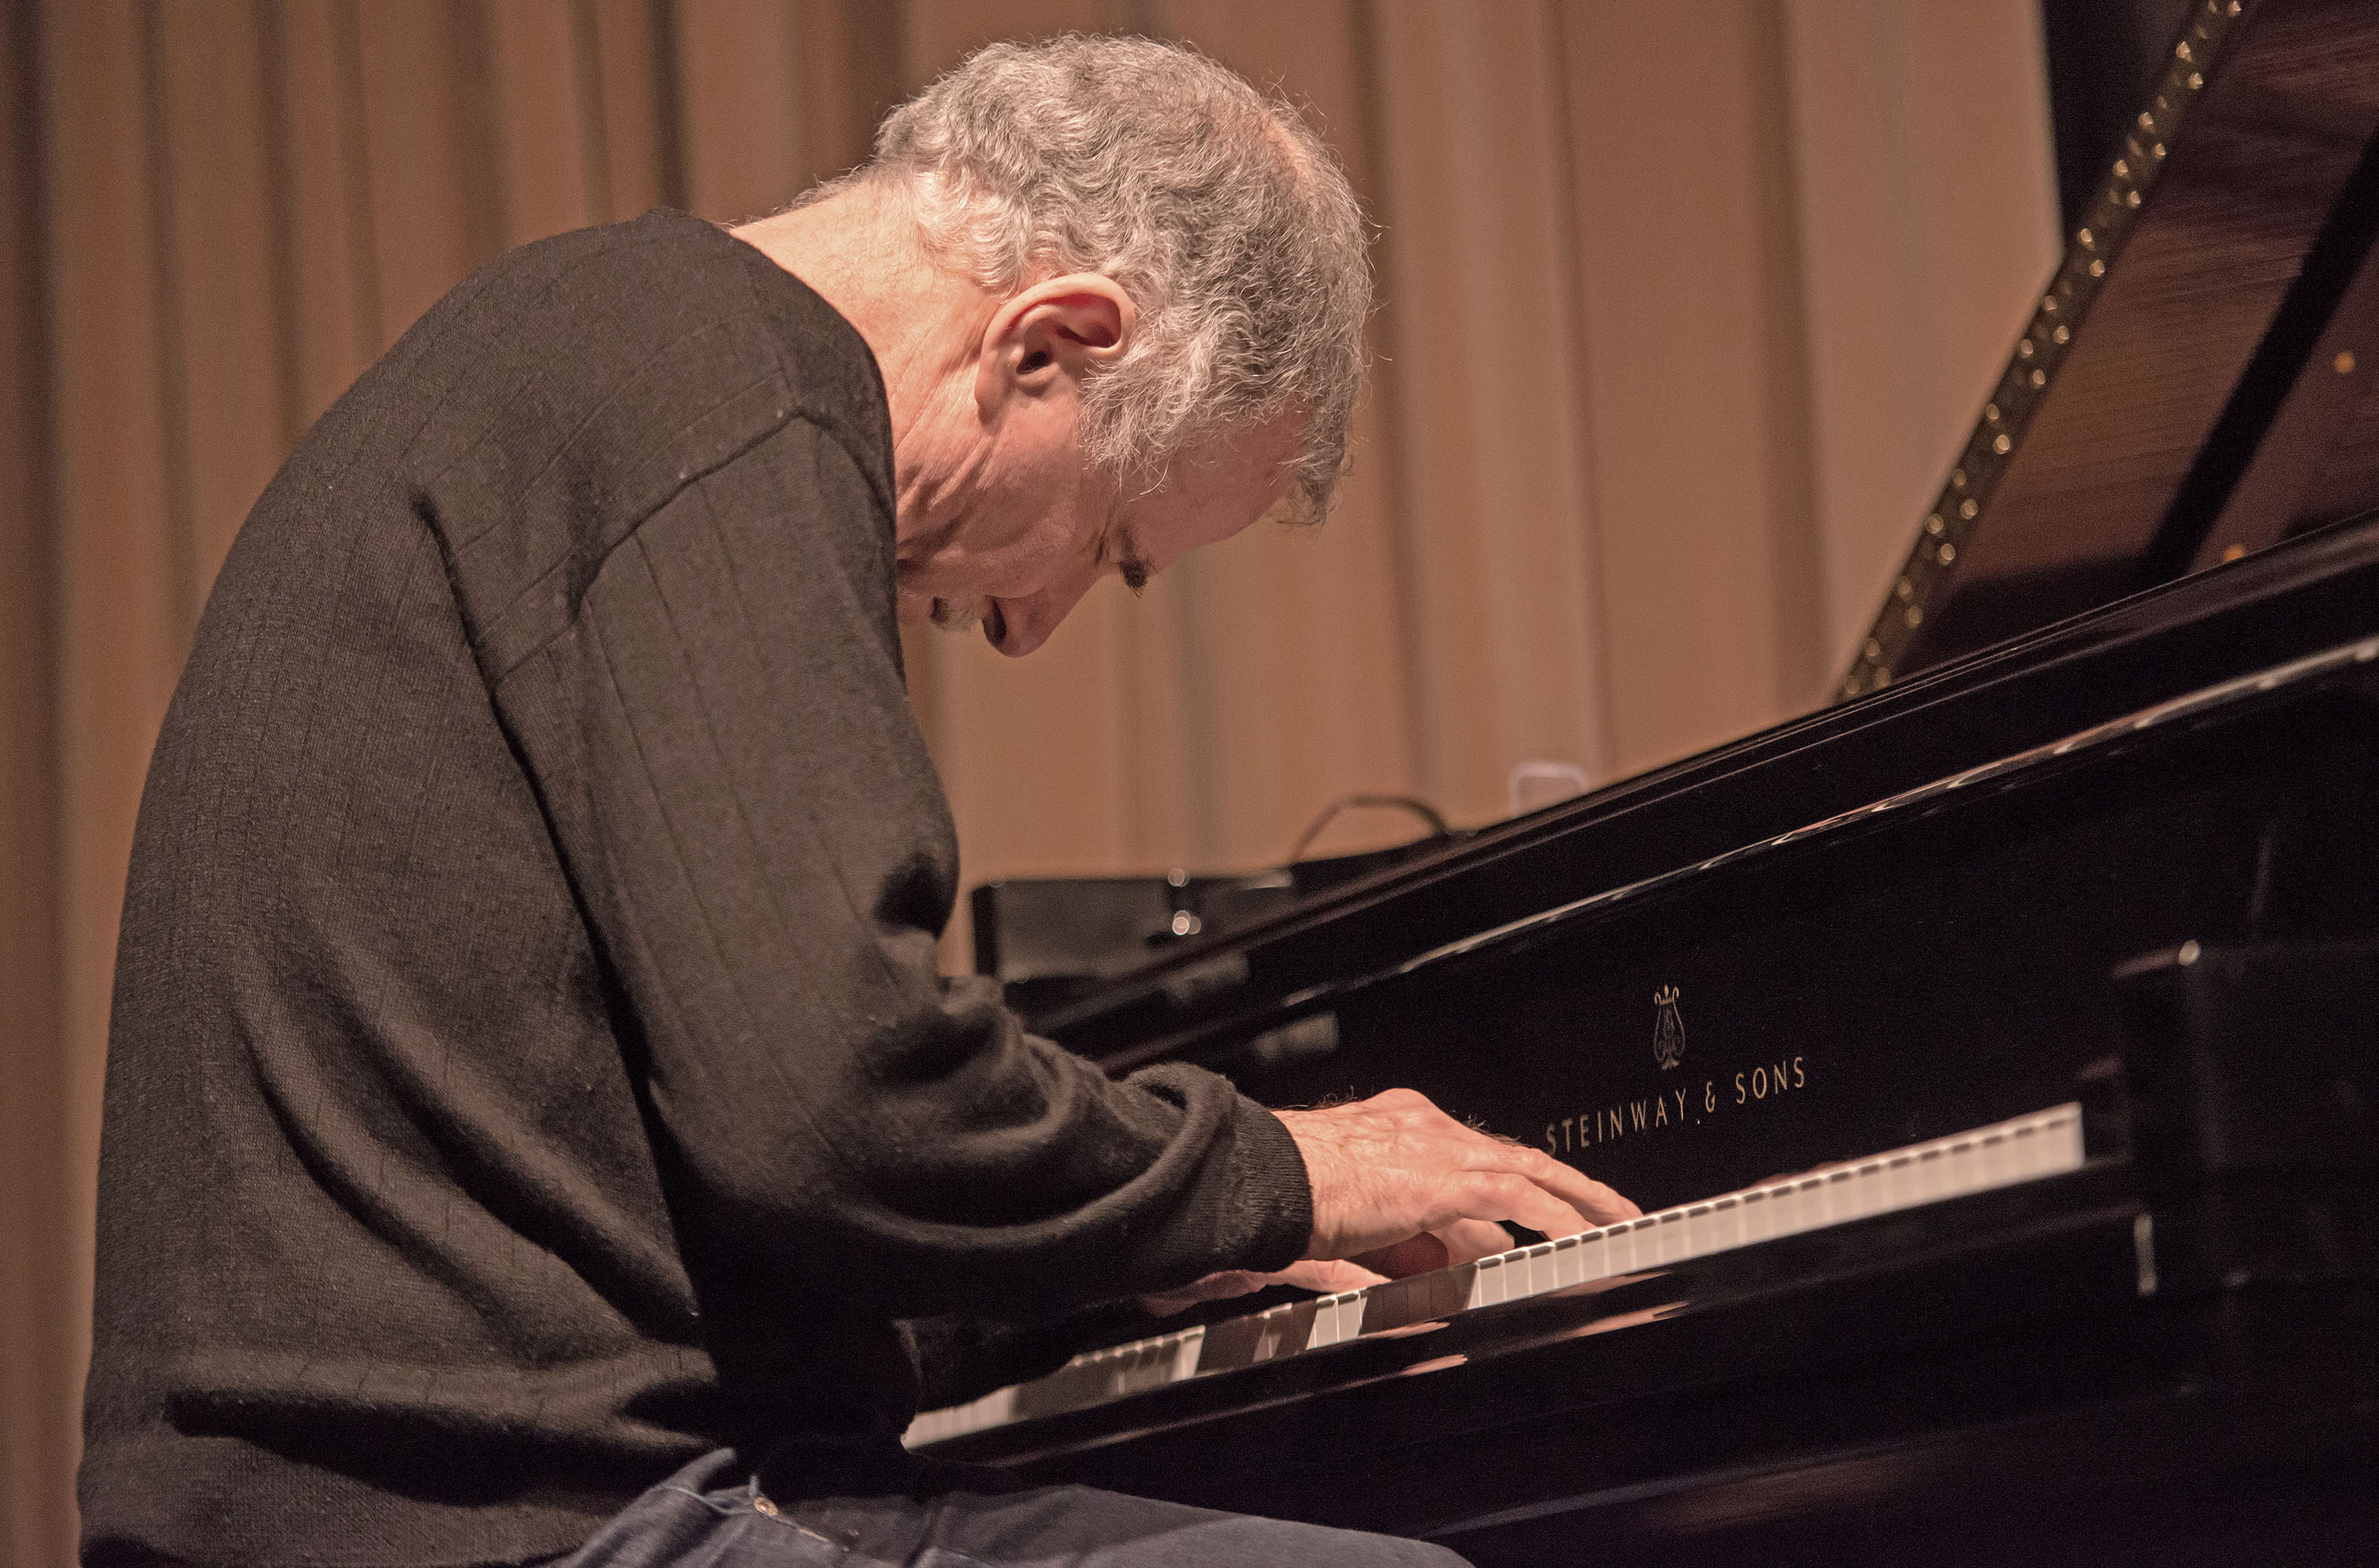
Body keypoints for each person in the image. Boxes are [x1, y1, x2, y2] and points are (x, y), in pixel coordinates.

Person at [79, 35, 1633, 1568]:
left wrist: (1107, 1262)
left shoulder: (599, 356)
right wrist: (1298, 1166)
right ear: (1050, 340)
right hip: (518, 1525)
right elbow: (840, 1111)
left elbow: (673, 1193)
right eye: (1109, 541)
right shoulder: (710, 383)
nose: (1033, 625)